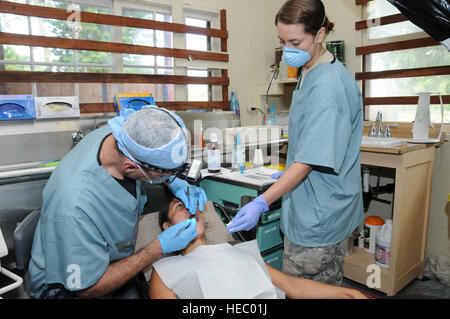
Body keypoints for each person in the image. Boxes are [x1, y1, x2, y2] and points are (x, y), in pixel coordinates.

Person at [227, 0, 364, 286]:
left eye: (295, 41)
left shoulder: (328, 87)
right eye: (282, 40)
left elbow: (309, 160)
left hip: (320, 214)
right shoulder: (311, 69)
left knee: (306, 289)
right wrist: (288, 169)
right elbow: (310, 142)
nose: (287, 49)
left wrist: (263, 201)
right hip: (314, 201)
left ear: (321, 34)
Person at [28, 105, 207, 299]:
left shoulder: (127, 136)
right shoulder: (74, 207)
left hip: (110, 259)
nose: (167, 178)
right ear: (130, 167)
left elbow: (153, 152)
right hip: (66, 287)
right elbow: (85, 288)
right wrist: (157, 249)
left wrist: (172, 181)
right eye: (163, 174)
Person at [149, 187, 367, 299]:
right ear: (167, 227)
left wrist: (348, 293)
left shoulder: (239, 251)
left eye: (192, 204)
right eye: (179, 206)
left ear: (204, 215)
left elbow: (292, 286)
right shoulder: (166, 270)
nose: (189, 209)